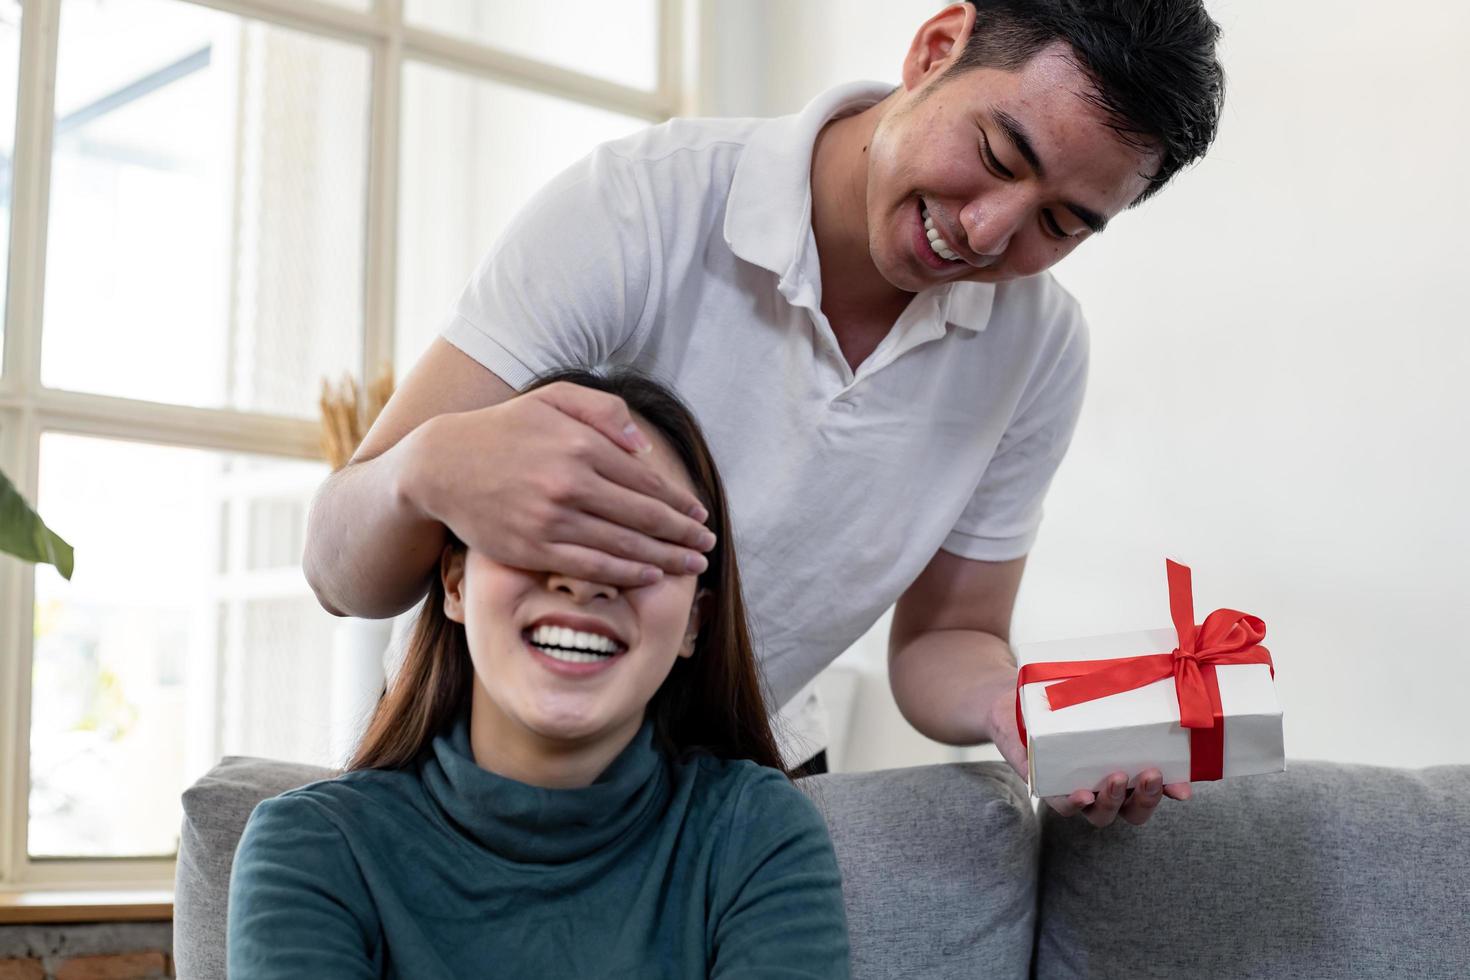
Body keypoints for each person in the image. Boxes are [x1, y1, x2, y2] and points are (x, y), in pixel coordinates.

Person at [302, 0, 1225, 828]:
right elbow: (340, 570)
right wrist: (432, 468)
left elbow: (950, 637)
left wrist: (1014, 708)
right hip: (488, 765)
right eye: (994, 156)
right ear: (937, 48)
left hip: (746, 777)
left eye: (1060, 223)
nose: (988, 231)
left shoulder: (1037, 349)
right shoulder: (641, 207)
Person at [230, 367, 849, 978]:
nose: (581, 579)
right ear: (455, 581)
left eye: (638, 541)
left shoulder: (757, 832)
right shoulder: (311, 848)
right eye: (542, 529)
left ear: (694, 619)